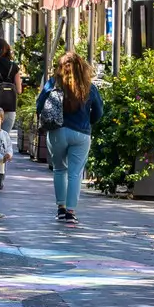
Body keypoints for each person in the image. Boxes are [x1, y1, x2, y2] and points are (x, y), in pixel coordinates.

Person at [46, 50, 103, 226]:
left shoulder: (53, 84)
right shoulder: (89, 87)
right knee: (75, 173)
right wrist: (88, 122)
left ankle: (61, 209)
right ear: (81, 68)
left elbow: (40, 103)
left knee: (59, 169)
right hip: (81, 133)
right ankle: (71, 212)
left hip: (57, 131)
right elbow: (99, 112)